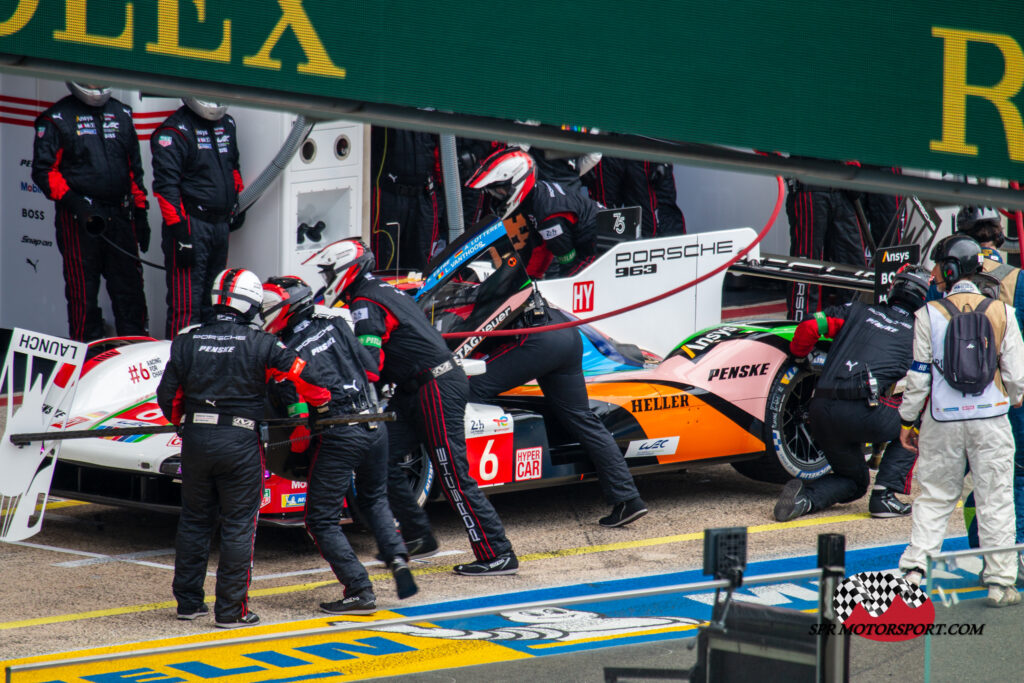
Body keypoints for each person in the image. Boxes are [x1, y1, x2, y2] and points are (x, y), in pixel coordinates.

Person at [308, 239, 519, 576]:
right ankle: (418, 534)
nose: (324, 277)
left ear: (343, 269)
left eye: (327, 270)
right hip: (417, 387)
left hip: (433, 385)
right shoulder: (379, 289)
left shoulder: (365, 302)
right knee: (378, 455)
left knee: (451, 473)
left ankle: (498, 552)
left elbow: (371, 366)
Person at [156, 268, 332, 628]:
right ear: (251, 303)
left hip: (196, 442)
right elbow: (306, 376)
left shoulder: (187, 340)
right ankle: (231, 611)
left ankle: (188, 603)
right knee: (239, 525)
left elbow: (167, 397)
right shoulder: (263, 342)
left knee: (193, 521)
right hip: (240, 443)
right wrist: (322, 404)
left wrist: (182, 421)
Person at [261, 275, 418, 613]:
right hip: (374, 423)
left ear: (284, 309)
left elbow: (295, 404)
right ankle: (399, 559)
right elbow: (371, 368)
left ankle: (359, 590)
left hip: (339, 430)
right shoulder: (336, 323)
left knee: (320, 520)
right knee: (374, 500)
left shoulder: (285, 350)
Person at [897, 235, 1024, 607]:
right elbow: (1016, 378)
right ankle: (1001, 582)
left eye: (938, 265)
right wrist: (1012, 399)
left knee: (935, 498)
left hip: (942, 421)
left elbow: (918, 378)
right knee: (995, 499)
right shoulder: (1003, 313)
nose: (935, 273)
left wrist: (907, 422)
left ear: (949, 270)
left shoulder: (927, 315)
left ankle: (914, 572)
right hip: (992, 422)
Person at [469, 302, 648, 527]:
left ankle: (472, 490)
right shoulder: (500, 283)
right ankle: (628, 498)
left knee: (468, 387)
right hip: (566, 333)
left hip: (538, 338)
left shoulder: (467, 293)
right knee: (582, 417)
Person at [773, 266, 930, 522]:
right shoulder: (921, 333)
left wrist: (800, 355)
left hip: (820, 410)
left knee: (855, 482)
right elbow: (927, 382)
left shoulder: (856, 310)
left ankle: (804, 500)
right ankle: (885, 496)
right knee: (918, 421)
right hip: (862, 413)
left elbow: (810, 326)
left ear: (893, 289)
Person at [31, 82, 150, 342]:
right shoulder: (56, 118)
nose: (96, 87)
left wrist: (141, 211)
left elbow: (134, 170)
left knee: (130, 290)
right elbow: (44, 171)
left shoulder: (122, 114)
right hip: (81, 218)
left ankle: (135, 351)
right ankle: (87, 356)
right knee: (83, 293)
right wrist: (76, 204)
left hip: (120, 214)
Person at [956, 206, 1024, 555]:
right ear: (1000, 234)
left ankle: (978, 545)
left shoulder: (946, 279)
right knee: (1016, 478)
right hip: (1008, 397)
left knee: (965, 484)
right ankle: (1011, 555)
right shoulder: (1017, 278)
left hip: (954, 400)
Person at [152, 97, 243, 338]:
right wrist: (181, 233)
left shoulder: (228, 124)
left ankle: (208, 362)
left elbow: (233, 168)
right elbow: (166, 188)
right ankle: (177, 365)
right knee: (186, 307)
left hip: (220, 225)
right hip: (190, 225)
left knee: (215, 303)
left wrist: (237, 205)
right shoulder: (172, 132)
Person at [466, 147, 601, 279]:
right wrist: (529, 278)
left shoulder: (547, 213)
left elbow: (567, 261)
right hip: (590, 235)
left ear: (517, 182)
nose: (497, 196)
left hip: (598, 243)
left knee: (571, 279)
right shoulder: (534, 196)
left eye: (500, 191)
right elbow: (538, 245)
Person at [785, 160, 867, 321]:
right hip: (809, 187)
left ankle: (853, 325)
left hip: (844, 189)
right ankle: (801, 326)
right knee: (807, 264)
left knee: (853, 264)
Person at [370, 127, 445, 272]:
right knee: (385, 261)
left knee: (422, 265)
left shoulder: (434, 108)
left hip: (424, 196)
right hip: (389, 194)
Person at [588, 157, 685, 238]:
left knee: (651, 224)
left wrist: (663, 157)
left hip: (647, 147)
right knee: (603, 218)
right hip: (607, 146)